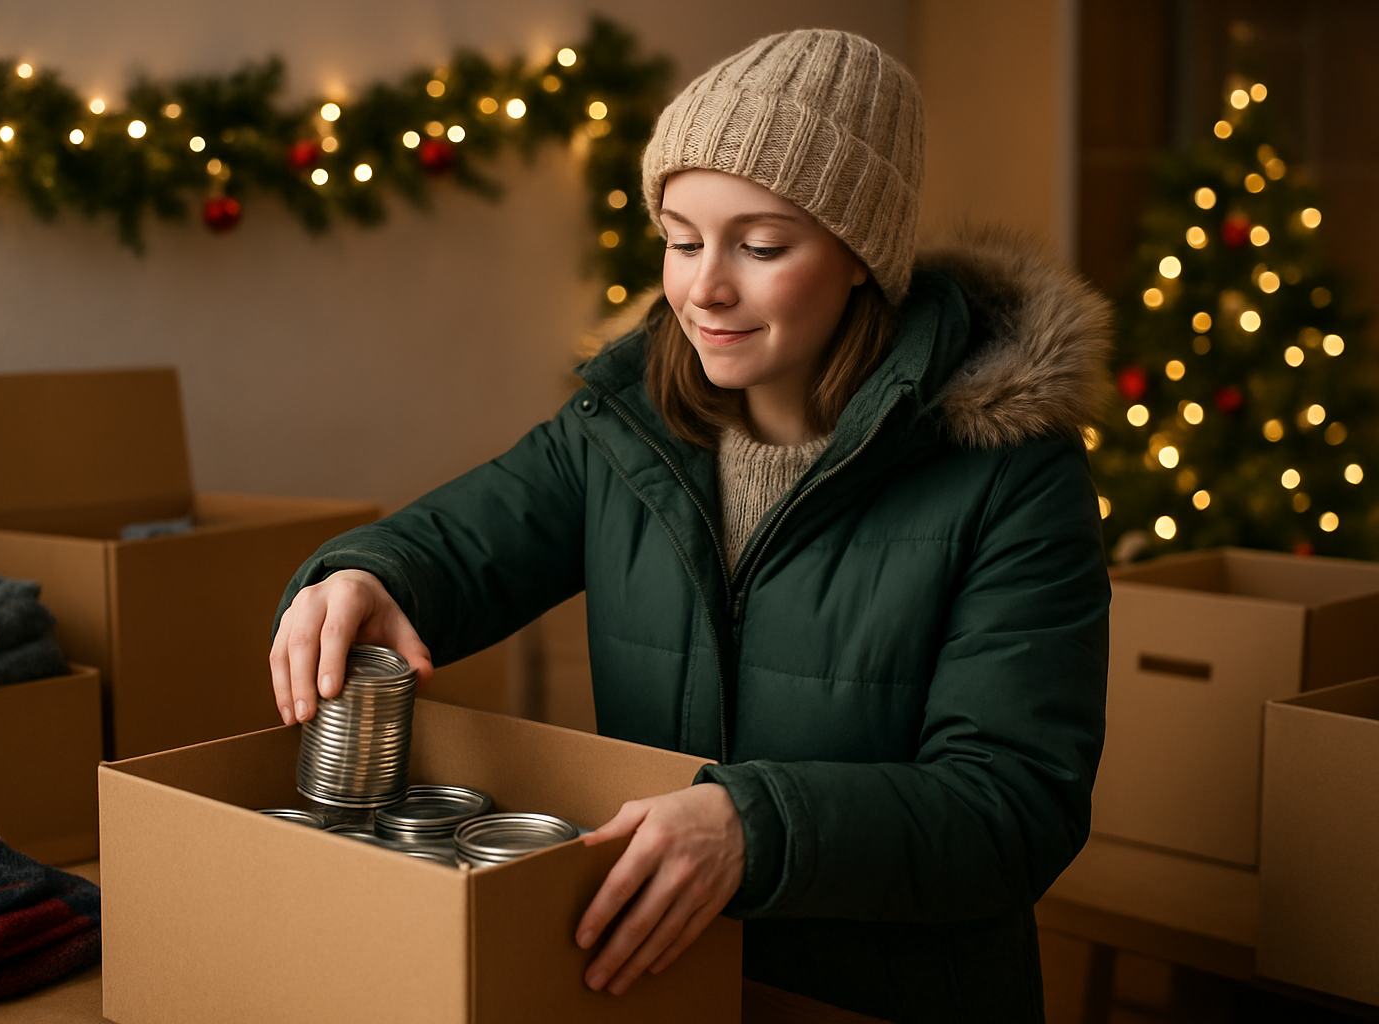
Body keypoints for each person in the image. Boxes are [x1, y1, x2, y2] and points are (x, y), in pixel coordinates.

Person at [269, 28, 1111, 1024]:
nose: (705, 288)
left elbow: (1011, 806)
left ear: (858, 259)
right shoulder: (623, 429)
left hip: (889, 999)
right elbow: (457, 543)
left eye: (759, 246)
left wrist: (757, 828)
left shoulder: (1013, 479)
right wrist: (368, 575)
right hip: (661, 986)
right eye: (680, 238)